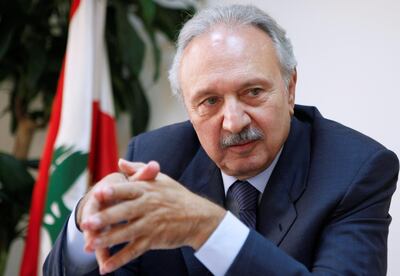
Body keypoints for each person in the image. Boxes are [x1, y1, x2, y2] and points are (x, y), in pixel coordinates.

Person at [44, 4, 399, 275]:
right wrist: (84, 225)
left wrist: (208, 228)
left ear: (290, 89)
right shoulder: (157, 157)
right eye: (209, 101)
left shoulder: (355, 170)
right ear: (188, 106)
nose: (233, 121)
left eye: (253, 92)